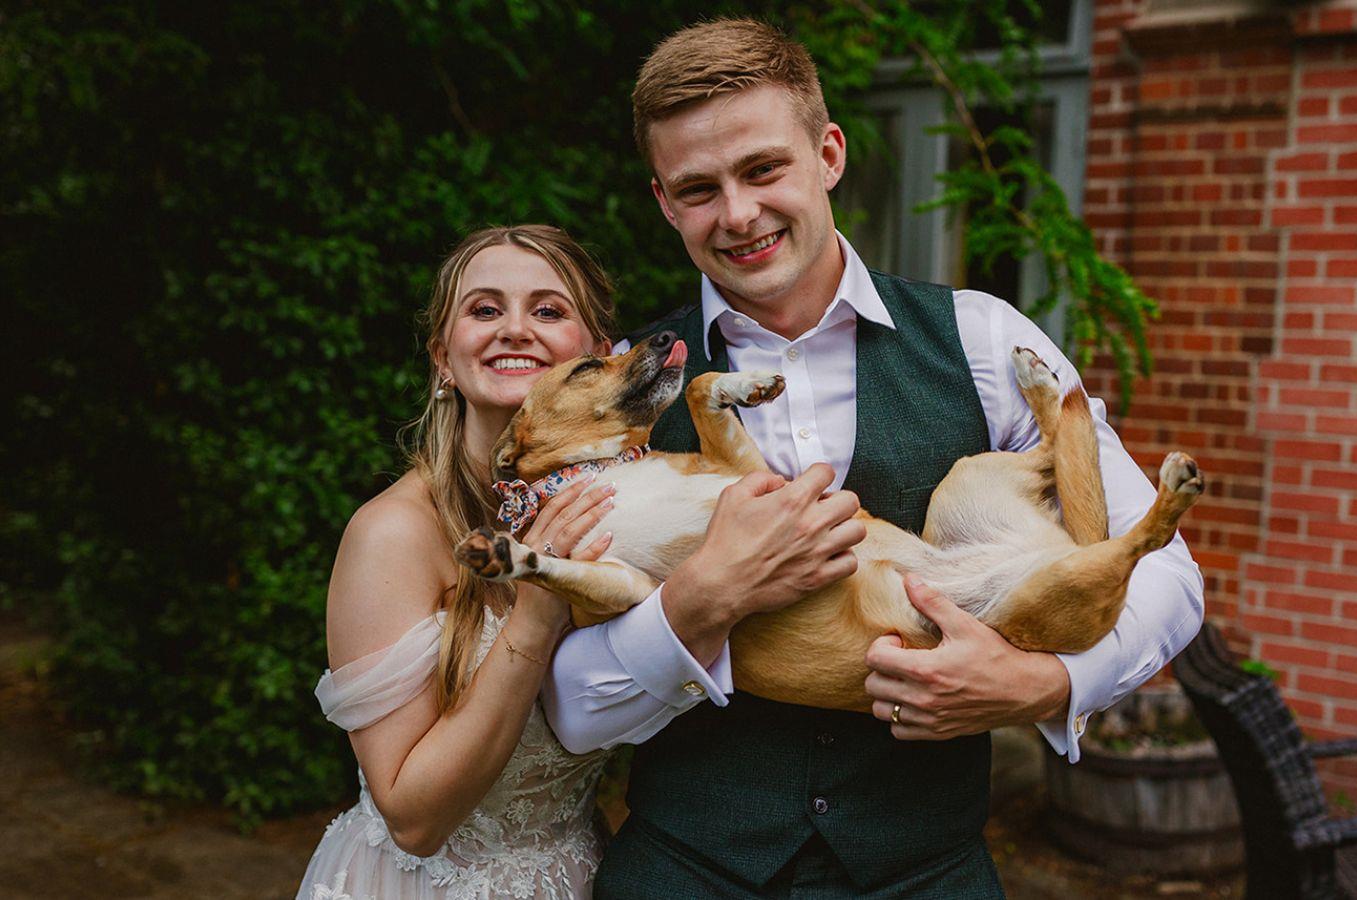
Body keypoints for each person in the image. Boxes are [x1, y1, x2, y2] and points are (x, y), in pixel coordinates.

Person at [541, 19, 1205, 898]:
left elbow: (1173, 576)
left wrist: (1042, 683)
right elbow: (570, 708)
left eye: (764, 169)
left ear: (829, 153)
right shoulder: (626, 389)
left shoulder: (978, 336)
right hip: (686, 872)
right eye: (698, 188)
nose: (737, 214)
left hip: (929, 875)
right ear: (664, 201)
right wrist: (700, 603)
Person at [298, 224, 623, 900]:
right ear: (445, 357)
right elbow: (413, 819)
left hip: (584, 873)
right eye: (485, 309)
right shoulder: (390, 534)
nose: (514, 329)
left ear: (597, 356)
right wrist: (535, 615)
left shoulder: (613, 512)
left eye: (547, 310)